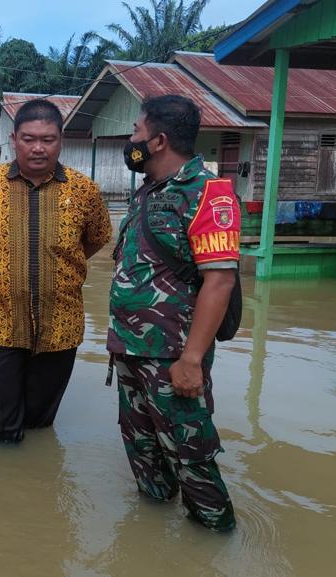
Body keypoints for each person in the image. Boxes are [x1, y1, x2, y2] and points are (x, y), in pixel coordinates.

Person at [107, 94, 238, 532]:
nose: (132, 141)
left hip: (173, 356)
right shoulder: (149, 190)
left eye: (136, 133)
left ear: (159, 140)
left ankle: (215, 539)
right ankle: (154, 542)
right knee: (143, 450)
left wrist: (191, 360)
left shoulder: (207, 192)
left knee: (191, 456)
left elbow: (220, 280)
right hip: (130, 348)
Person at [0, 99, 111, 444]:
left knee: (40, 426)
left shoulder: (84, 190)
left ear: (61, 140)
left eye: (48, 139)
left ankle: (36, 487)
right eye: (29, 138)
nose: (38, 148)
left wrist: (63, 264)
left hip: (61, 326)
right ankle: (1, 483)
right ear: (14, 139)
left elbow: (98, 238)